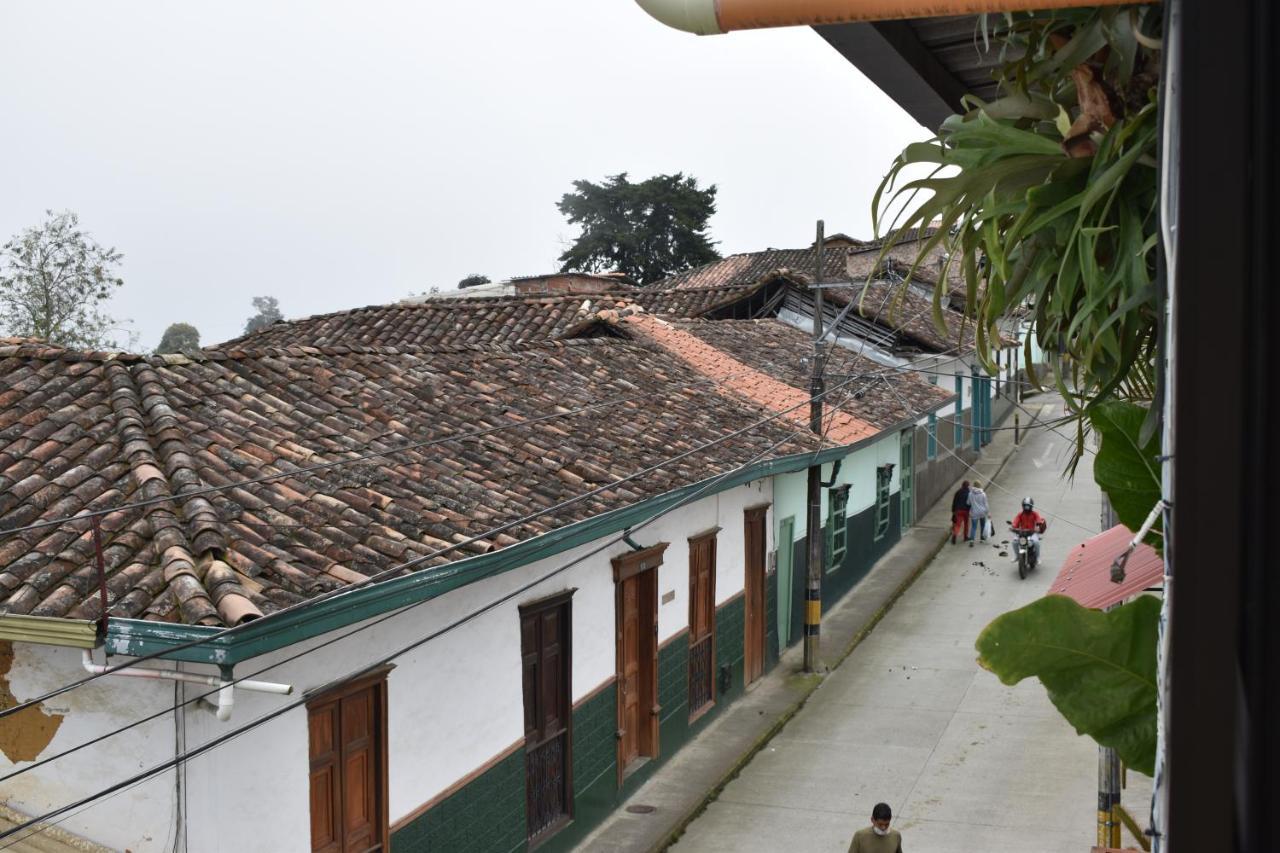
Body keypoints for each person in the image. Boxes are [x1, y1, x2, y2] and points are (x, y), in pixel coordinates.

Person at [1010, 497, 1048, 563]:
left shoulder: (1035, 514)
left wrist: (1038, 525)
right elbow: (1016, 521)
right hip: (1022, 533)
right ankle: (1016, 556)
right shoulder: (1020, 514)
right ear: (1023, 506)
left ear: (1031, 506)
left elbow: (1038, 520)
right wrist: (1013, 526)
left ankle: (1038, 557)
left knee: (1036, 543)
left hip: (1032, 532)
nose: (1027, 508)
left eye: (1028, 506)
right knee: (1014, 542)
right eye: (1025, 506)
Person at [967, 481, 990, 547]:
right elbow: (986, 504)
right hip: (982, 512)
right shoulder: (983, 494)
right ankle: (982, 538)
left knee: (974, 527)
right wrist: (988, 512)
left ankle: (972, 540)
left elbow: (968, 503)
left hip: (974, 512)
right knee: (982, 525)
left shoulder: (970, 493)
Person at [950, 481, 970, 545]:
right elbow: (970, 503)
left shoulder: (958, 492)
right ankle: (965, 537)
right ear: (968, 486)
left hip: (958, 510)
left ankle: (955, 534)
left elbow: (954, 502)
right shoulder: (969, 493)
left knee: (958, 524)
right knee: (966, 524)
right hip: (966, 510)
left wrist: (953, 510)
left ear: (962, 485)